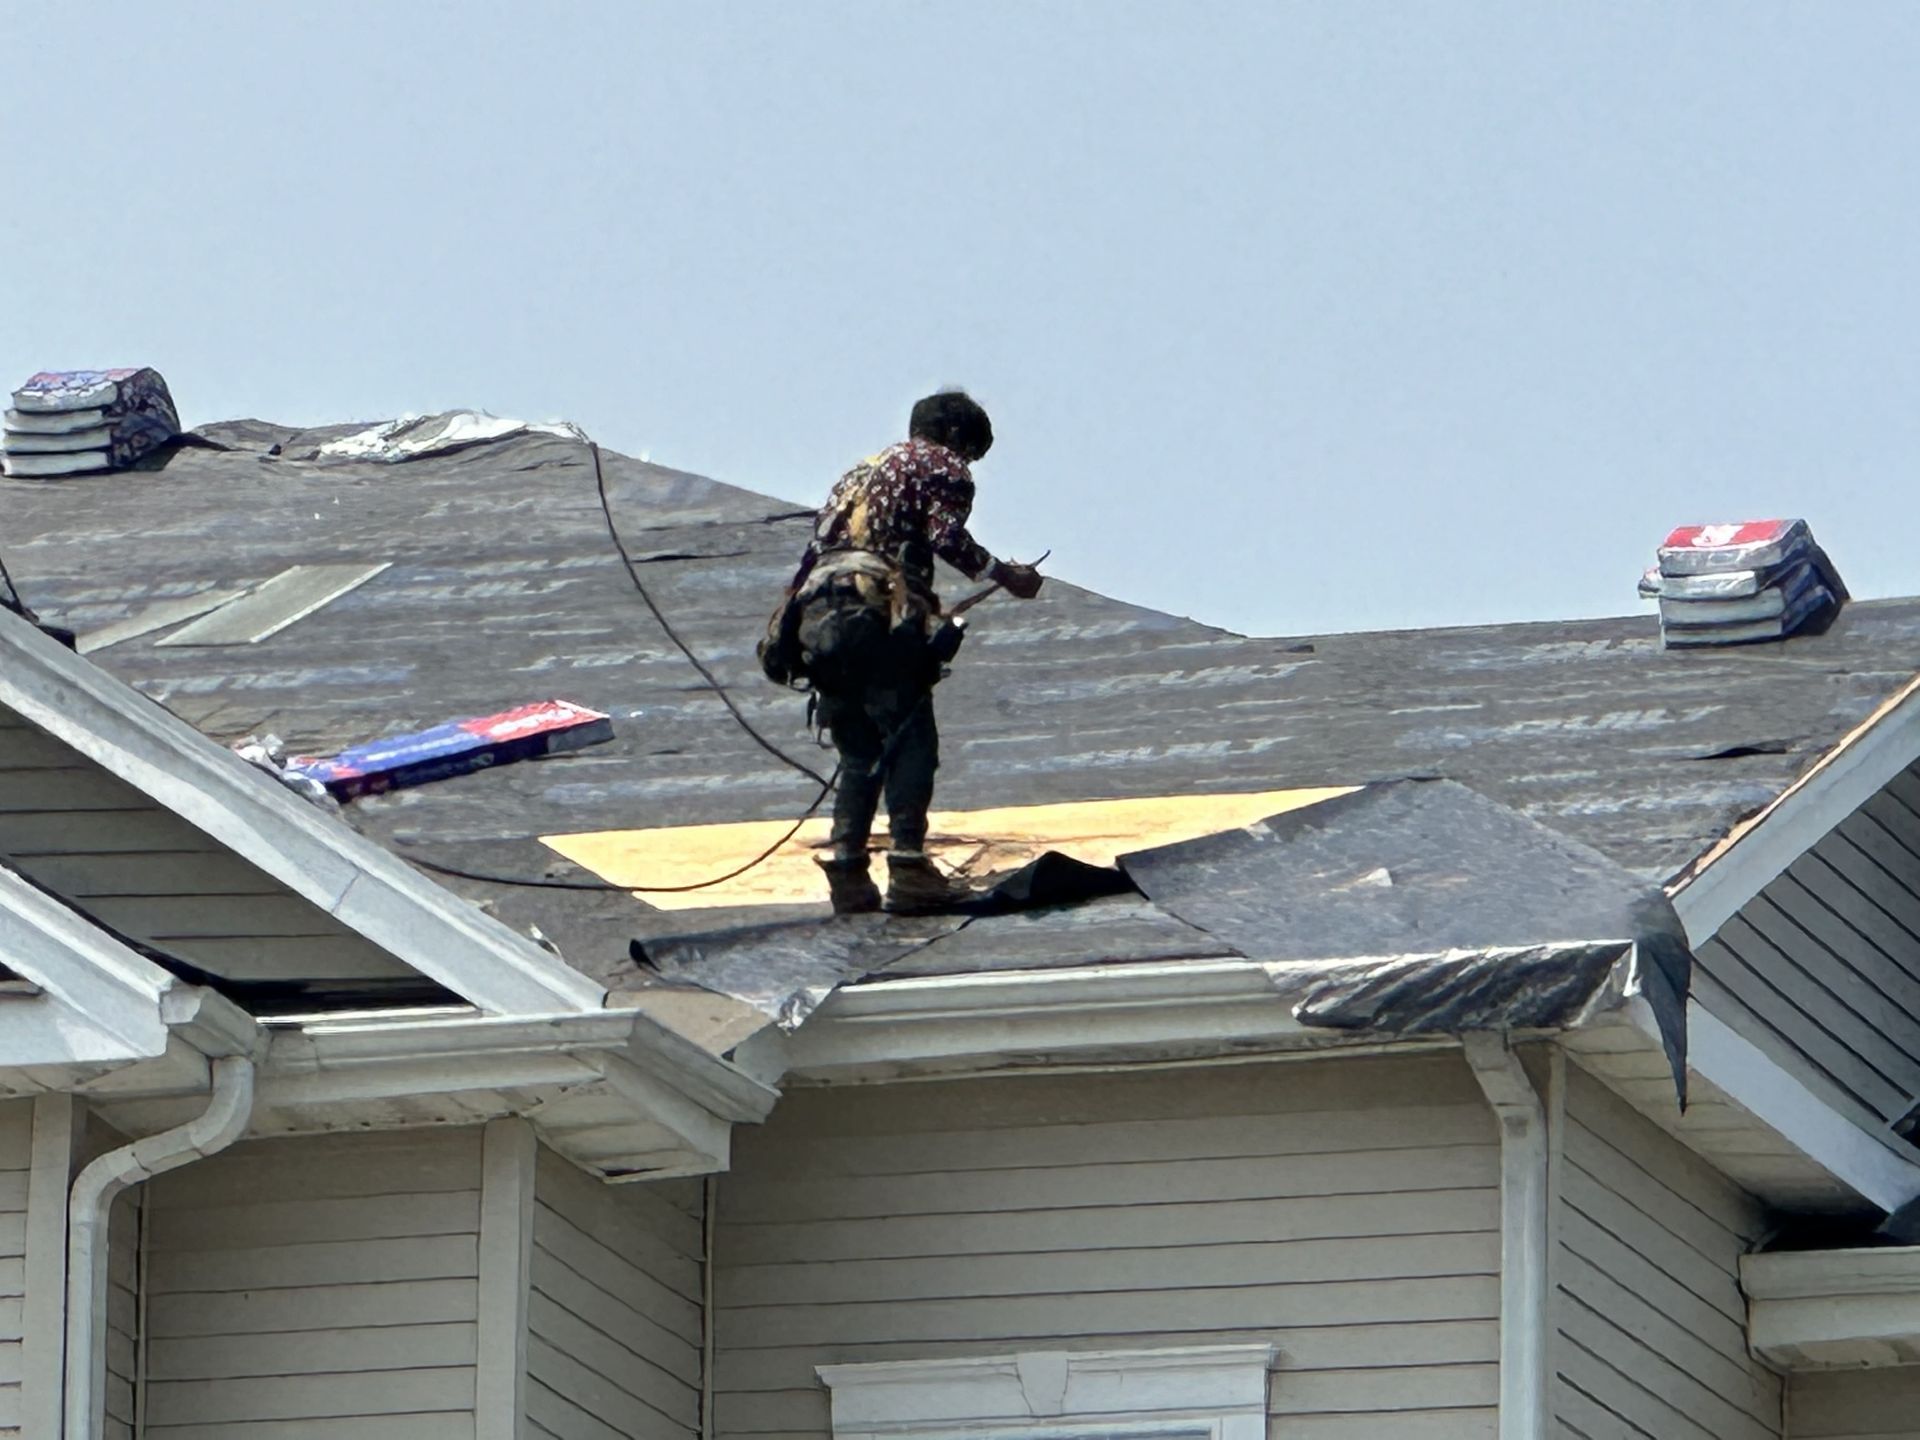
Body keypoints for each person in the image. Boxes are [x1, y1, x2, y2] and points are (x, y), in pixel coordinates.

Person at [769, 390, 1043, 914]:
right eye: (970, 452)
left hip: (818, 622)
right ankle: (909, 868)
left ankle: (849, 874)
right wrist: (1005, 576)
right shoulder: (941, 466)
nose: (967, 466)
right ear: (957, 438)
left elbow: (815, 553)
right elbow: (946, 536)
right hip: (872, 614)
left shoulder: (857, 474)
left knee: (858, 752)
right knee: (911, 736)